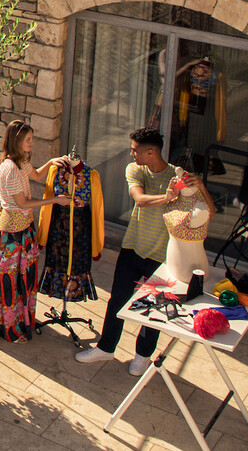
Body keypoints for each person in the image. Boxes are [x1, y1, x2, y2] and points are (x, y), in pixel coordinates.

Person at [75, 127, 208, 374]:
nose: (131, 153)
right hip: (133, 246)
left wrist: (200, 186)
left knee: (156, 308)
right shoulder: (135, 169)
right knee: (117, 299)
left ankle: (143, 356)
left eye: (135, 150)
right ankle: (106, 348)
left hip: (163, 255)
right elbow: (139, 198)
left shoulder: (177, 176)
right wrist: (167, 197)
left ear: (150, 152)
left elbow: (207, 207)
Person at [0, 120, 73, 342]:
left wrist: (52, 162)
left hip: (24, 228)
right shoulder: (10, 168)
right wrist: (55, 200)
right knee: (8, 281)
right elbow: (23, 203)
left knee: (21, 279)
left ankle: (18, 320)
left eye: (32, 138)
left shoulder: (20, 162)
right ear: (16, 141)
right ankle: (6, 326)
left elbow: (38, 175)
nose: (32, 142)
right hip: (12, 232)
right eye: (28, 139)